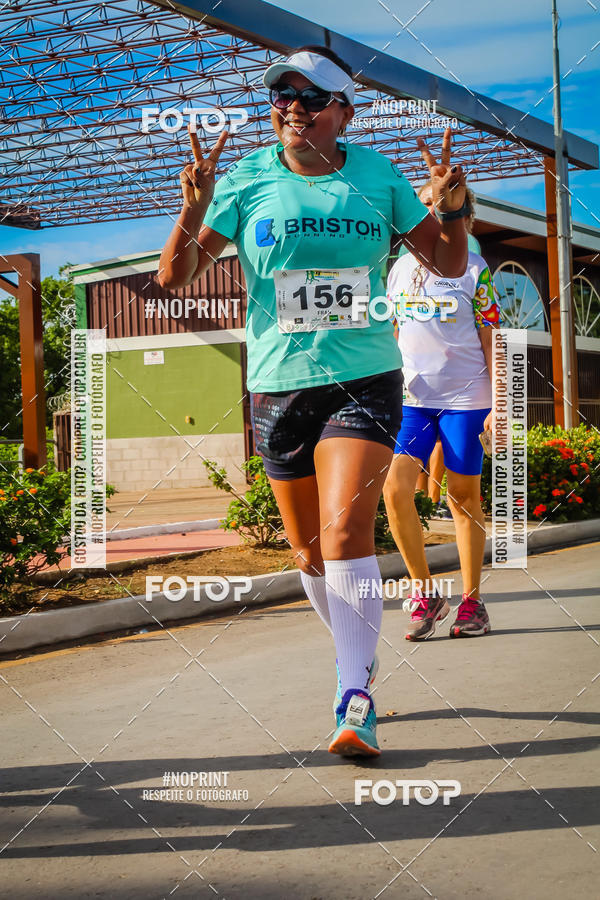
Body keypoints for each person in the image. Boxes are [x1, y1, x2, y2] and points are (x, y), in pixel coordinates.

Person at [158, 46, 470, 757]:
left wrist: (451, 211)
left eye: (310, 97)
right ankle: (356, 655)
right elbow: (174, 276)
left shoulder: (378, 176)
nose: (293, 107)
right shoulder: (245, 180)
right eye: (282, 97)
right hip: (276, 383)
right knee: (305, 552)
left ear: (343, 113)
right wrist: (193, 209)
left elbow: (447, 263)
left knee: (342, 537)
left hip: (363, 376)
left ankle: (355, 695)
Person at [383, 178, 502, 641]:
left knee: (462, 499)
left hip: (466, 401)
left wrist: (499, 406)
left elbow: (494, 340)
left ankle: (473, 601)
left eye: (441, 204)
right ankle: (426, 592)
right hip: (412, 401)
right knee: (395, 491)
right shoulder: (397, 270)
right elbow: (395, 333)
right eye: (424, 204)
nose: (432, 211)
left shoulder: (474, 269)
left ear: (461, 215)